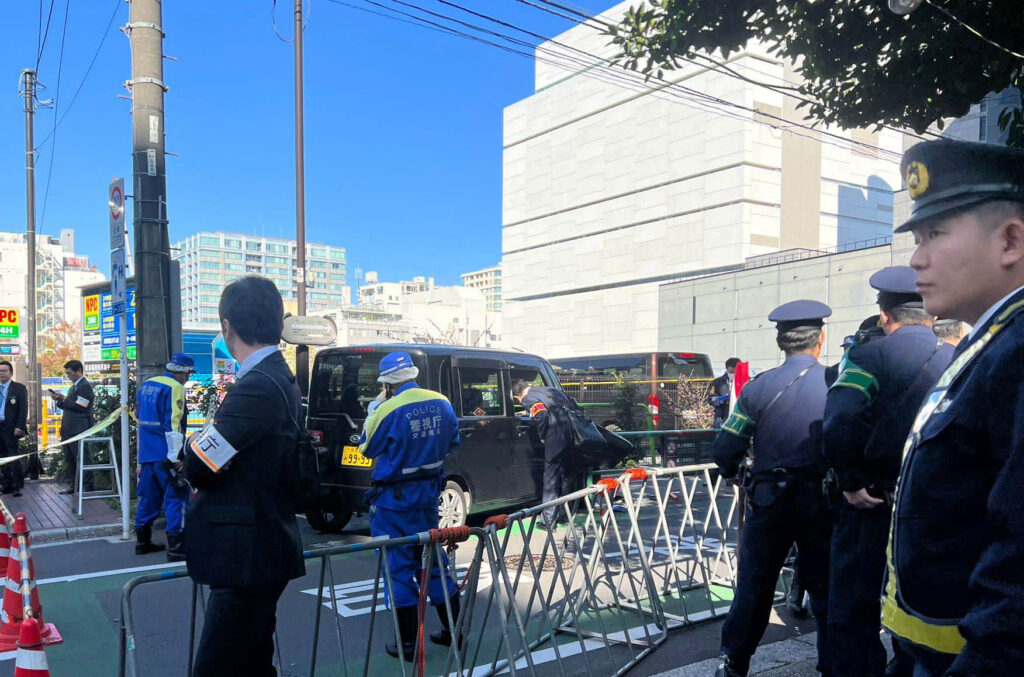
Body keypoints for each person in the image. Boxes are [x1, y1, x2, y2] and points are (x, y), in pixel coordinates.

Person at [879, 139, 1024, 675]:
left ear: (1010, 241)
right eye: (918, 237)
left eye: (935, 234)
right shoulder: (989, 342)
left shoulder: (1017, 350)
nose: (917, 257)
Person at [822, 266, 953, 677]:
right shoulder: (959, 357)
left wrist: (850, 482)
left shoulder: (868, 356)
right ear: (931, 314)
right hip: (931, 504)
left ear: (884, 315)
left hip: (871, 501)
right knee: (917, 600)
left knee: (854, 602)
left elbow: (839, 420)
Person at [183, 276, 304, 677]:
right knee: (252, 661)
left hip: (246, 554)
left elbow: (199, 461)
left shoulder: (257, 385)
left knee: (217, 666)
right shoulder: (277, 375)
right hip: (262, 546)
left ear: (227, 326)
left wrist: (189, 448)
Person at [711, 300, 833, 677]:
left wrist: (735, 473)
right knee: (827, 586)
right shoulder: (837, 380)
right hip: (822, 502)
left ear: (781, 342)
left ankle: (734, 662)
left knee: (755, 586)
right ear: (821, 340)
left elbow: (725, 449)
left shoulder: (758, 388)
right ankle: (832, 661)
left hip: (768, 500)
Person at [358, 351, 460, 661]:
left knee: (398, 569)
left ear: (387, 383)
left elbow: (366, 447)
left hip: (393, 502)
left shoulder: (386, 408)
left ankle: (406, 645)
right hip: (428, 496)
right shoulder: (442, 402)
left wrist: (374, 410)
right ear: (413, 375)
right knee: (434, 562)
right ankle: (452, 633)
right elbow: (453, 440)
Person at [134, 353, 194, 561]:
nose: (188, 378)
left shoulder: (147, 385)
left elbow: (140, 418)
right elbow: (173, 425)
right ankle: (176, 547)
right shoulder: (175, 388)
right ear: (184, 371)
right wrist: (177, 458)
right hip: (165, 453)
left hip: (147, 453)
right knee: (176, 497)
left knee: (149, 497)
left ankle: (142, 541)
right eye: (189, 374)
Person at [512, 379, 583, 527]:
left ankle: (548, 520)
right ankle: (565, 515)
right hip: (572, 437)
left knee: (551, 479)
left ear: (517, 397)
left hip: (554, 439)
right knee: (567, 477)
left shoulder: (529, 398)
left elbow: (542, 414)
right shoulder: (550, 391)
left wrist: (542, 435)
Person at [49, 360, 94, 495]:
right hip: (68, 428)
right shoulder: (73, 387)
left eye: (70, 373)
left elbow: (81, 407)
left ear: (79, 371)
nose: (68, 376)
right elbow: (71, 406)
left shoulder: (84, 386)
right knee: (70, 458)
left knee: (81, 456)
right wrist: (60, 400)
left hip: (78, 428)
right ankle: (74, 485)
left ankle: (87, 485)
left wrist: (64, 399)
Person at [0, 361, 28, 496]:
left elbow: (23, 409)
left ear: (11, 373)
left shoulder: (19, 388)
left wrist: (19, 426)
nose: (2, 373)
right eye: (0, 371)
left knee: (13, 456)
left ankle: (17, 485)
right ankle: (7, 484)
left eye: (4, 370)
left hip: (11, 427)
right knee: (2, 457)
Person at [709, 357, 741, 427]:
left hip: (739, 415)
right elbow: (710, 399)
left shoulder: (745, 381)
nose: (734, 372)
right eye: (732, 370)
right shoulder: (717, 382)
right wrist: (721, 399)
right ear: (727, 368)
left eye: (736, 370)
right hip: (722, 415)